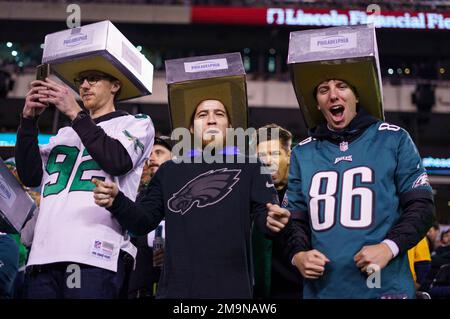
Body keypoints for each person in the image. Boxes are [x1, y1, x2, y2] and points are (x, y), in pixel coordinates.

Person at [93, 98, 290, 298]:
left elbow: (265, 215)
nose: (211, 119)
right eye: (202, 114)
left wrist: (273, 220)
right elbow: (142, 222)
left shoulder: (252, 167)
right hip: (177, 292)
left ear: (230, 128)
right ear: (192, 129)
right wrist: (118, 201)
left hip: (233, 291)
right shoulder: (169, 171)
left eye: (219, 114)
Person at [281, 78, 435, 299]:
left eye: (342, 87)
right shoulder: (302, 153)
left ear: (357, 96)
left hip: (383, 287)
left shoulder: (394, 138)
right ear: (317, 103)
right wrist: (299, 254)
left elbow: (422, 207)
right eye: (324, 90)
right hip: (323, 291)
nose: (333, 95)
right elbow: (295, 219)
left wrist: (388, 247)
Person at [15, 68, 154, 298]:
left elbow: (117, 161)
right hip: (43, 256)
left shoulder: (135, 123)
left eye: (94, 79)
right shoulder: (64, 134)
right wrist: (28, 121)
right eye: (80, 80)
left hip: (92, 255)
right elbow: (30, 177)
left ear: (115, 85)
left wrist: (75, 113)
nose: (85, 85)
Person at [251, 124, 303, 299]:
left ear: (289, 156)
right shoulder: (251, 198)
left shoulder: (307, 193)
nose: (266, 161)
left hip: (301, 290)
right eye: (260, 156)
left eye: (274, 153)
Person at [128, 136, 173, 299]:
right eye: (150, 154)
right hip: (138, 288)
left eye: (159, 153)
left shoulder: (184, 198)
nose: (152, 158)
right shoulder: (135, 197)